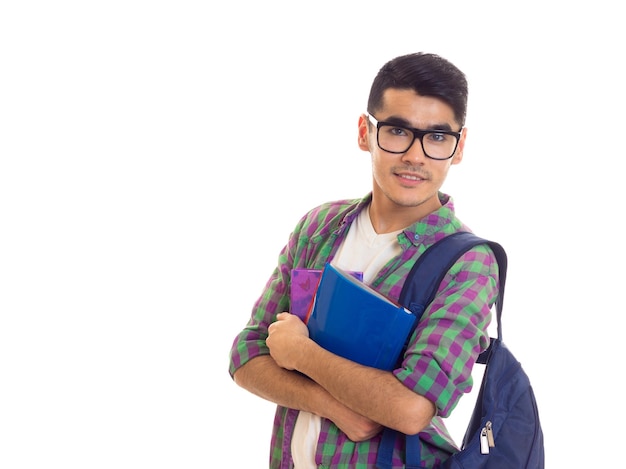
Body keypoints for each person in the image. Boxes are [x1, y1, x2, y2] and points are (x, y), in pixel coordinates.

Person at [228, 52, 500, 468]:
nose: (415, 155)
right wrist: (330, 404)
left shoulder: (466, 263)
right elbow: (246, 355)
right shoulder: (319, 228)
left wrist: (301, 355)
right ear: (364, 132)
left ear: (459, 147)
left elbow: (411, 408)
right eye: (397, 131)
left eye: (437, 138)